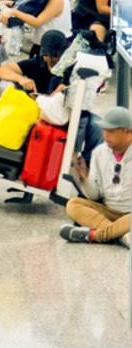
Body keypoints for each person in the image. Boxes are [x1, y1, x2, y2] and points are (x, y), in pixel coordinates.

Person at [59, 105, 132, 246]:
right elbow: (94, 196)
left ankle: (96, 235)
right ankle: (122, 236)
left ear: (128, 132)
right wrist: (84, 179)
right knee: (73, 205)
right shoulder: (99, 152)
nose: (105, 135)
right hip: (108, 211)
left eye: (111, 131)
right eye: (104, 130)